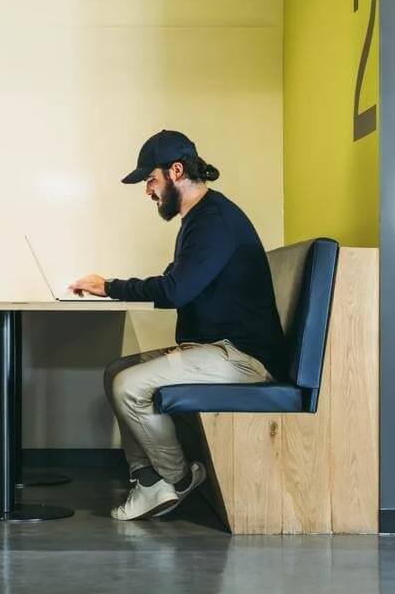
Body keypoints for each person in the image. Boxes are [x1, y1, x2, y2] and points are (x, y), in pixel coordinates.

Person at [68, 130, 286, 520]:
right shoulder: (199, 220)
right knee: (117, 371)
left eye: (150, 180)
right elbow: (175, 282)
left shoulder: (214, 221)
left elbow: (174, 290)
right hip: (214, 349)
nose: (148, 191)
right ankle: (148, 479)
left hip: (243, 357)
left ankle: (177, 478)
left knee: (128, 386)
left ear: (176, 171)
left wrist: (109, 286)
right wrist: (112, 287)